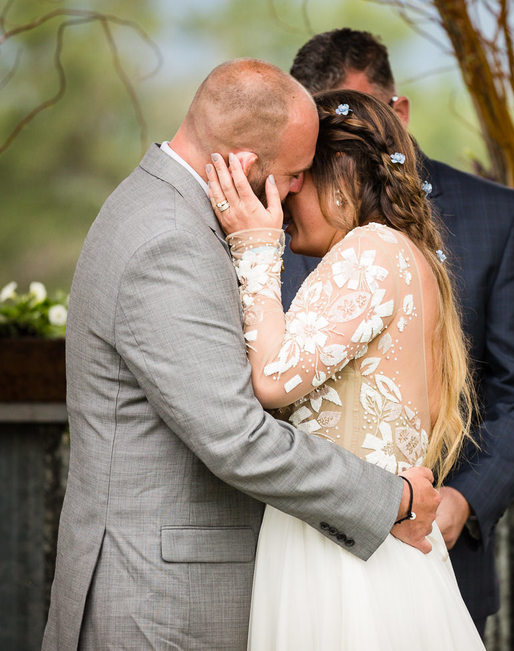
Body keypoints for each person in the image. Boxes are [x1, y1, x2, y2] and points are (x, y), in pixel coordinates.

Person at [42, 59, 438, 650]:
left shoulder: (166, 211)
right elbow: (237, 438)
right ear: (248, 164)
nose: (299, 188)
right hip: (161, 604)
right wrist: (394, 497)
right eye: (296, 173)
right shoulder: (170, 240)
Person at [285, 28, 514, 633]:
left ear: (396, 112)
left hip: (431, 553)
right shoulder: (278, 210)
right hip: (298, 559)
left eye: (348, 128)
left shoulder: (497, 217)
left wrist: (464, 500)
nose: (328, 154)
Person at [206, 88, 485, 649]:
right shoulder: (411, 257)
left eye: (297, 177)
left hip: (341, 561)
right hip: (366, 539)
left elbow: (271, 380)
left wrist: (255, 247)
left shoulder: (371, 250)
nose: (280, 202)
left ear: (342, 171)